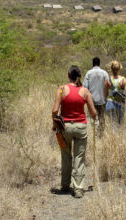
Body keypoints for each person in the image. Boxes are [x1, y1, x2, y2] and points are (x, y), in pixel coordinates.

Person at [52, 65, 97, 198]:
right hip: (81, 128)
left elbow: (55, 110)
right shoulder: (85, 91)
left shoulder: (61, 89)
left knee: (66, 156)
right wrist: (95, 118)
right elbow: (93, 112)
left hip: (65, 127)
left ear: (68, 75)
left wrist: (54, 124)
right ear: (79, 76)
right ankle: (78, 189)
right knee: (79, 158)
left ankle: (65, 185)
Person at [83, 57, 109, 135]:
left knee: (93, 119)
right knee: (102, 118)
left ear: (93, 63)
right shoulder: (104, 73)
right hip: (102, 100)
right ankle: (101, 134)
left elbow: (85, 87)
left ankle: (95, 135)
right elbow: (108, 85)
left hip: (91, 100)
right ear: (99, 63)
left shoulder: (88, 73)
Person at [104, 60, 126, 127]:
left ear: (111, 69)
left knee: (113, 124)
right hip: (120, 104)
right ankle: (118, 137)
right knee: (120, 124)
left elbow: (105, 95)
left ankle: (113, 137)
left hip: (110, 103)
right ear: (119, 69)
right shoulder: (123, 80)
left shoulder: (107, 80)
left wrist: (103, 107)